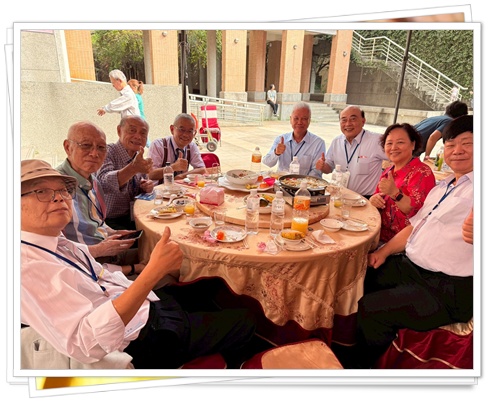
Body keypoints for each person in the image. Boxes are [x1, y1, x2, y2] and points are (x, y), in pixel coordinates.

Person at [20, 159, 257, 369]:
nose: (59, 198)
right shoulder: (27, 269)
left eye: (62, 190)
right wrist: (152, 272)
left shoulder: (53, 240)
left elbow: (96, 274)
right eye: (41, 191)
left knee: (214, 289)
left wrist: (141, 271)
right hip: (142, 338)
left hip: (140, 304)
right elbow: (87, 343)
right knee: (247, 319)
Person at [346, 114, 474, 369]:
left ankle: (362, 369)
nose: (457, 151)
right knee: (357, 276)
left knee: (372, 308)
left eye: (468, 143)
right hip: (411, 267)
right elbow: (415, 226)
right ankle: (350, 341)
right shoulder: (444, 186)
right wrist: (384, 253)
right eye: (450, 144)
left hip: (446, 287)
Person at [56, 121, 143, 268]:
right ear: (67, 147)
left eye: (101, 147)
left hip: (109, 254)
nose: (95, 153)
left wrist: (113, 233)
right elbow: (53, 249)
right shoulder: (53, 189)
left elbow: (97, 222)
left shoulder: (93, 181)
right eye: (86, 145)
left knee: (166, 253)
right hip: (86, 267)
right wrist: (99, 250)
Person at [369, 123, 436, 244]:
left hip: (404, 244)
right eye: (389, 143)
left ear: (413, 144)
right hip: (379, 235)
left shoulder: (422, 172)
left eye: (400, 142)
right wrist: (374, 200)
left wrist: (395, 193)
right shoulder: (388, 171)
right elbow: (377, 196)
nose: (393, 147)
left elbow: (416, 213)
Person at [97, 115, 154, 230]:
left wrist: (146, 186)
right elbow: (102, 184)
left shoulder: (138, 157)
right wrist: (133, 168)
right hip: (109, 221)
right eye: (132, 130)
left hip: (134, 216)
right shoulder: (108, 151)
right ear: (119, 131)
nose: (138, 136)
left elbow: (140, 187)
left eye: (143, 133)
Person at [315, 105, 387, 198]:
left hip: (366, 199)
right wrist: (322, 166)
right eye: (344, 120)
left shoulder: (376, 140)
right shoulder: (336, 142)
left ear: (363, 121)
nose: (348, 124)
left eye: (353, 119)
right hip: (340, 197)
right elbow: (328, 168)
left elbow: (398, 158)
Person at [262, 102, 325, 178]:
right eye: (296, 118)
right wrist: (276, 153)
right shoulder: (281, 139)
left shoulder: (318, 143)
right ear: (290, 119)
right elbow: (267, 162)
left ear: (309, 120)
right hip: (280, 182)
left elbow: (316, 172)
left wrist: (301, 183)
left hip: (305, 183)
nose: (299, 122)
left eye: (304, 119)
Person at [148, 113, 207, 181]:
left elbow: (202, 170)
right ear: (172, 129)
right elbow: (151, 174)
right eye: (182, 130)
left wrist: (181, 176)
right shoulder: (158, 145)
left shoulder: (191, 146)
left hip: (180, 187)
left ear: (194, 133)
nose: (185, 135)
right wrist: (173, 167)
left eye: (190, 131)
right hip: (159, 187)